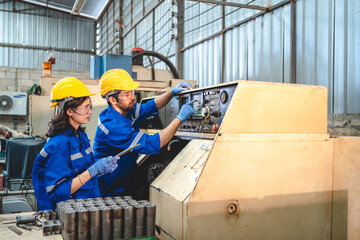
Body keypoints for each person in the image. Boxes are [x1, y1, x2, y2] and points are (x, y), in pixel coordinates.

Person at [93, 69, 195, 197]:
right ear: (113, 100)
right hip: (113, 187)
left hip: (128, 176)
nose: (133, 97)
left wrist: (172, 92)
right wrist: (180, 118)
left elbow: (151, 106)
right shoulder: (113, 126)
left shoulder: (125, 110)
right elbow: (152, 144)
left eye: (132, 92)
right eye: (126, 94)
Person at [32, 77, 119, 210]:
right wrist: (93, 171)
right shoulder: (59, 144)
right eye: (85, 107)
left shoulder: (80, 136)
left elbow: (82, 170)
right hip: (71, 214)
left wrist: (100, 169)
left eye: (89, 106)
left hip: (86, 206)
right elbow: (58, 192)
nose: (90, 111)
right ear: (69, 111)